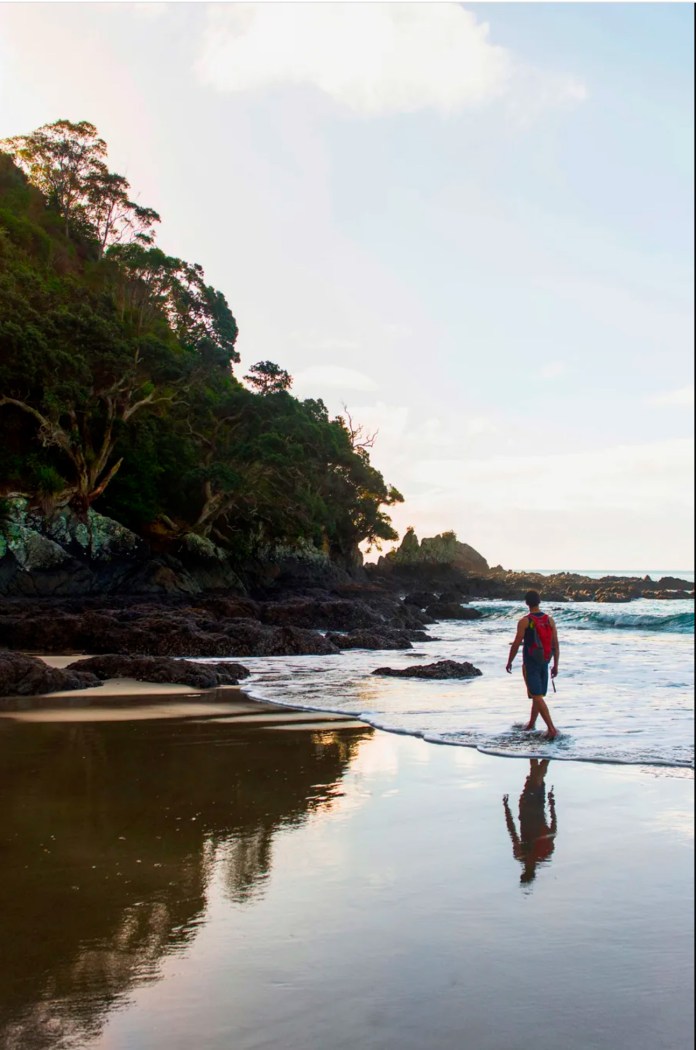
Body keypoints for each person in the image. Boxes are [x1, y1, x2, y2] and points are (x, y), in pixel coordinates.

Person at [505, 589, 559, 739]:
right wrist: (556, 665)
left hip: (531, 663)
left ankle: (551, 729)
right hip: (545, 661)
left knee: (536, 695)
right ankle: (531, 724)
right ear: (539, 601)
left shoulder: (525, 621)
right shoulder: (550, 620)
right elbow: (556, 644)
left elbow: (516, 643)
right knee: (537, 694)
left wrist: (509, 661)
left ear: (526, 603)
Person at [503, 758, 557, 886]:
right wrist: (551, 803)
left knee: (536, 776)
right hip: (537, 807)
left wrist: (506, 809)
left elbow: (512, 831)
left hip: (526, 806)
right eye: (529, 869)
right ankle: (541, 748)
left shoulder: (520, 854)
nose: (528, 865)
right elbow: (553, 830)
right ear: (532, 870)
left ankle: (540, 748)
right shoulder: (544, 854)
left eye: (526, 869)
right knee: (537, 775)